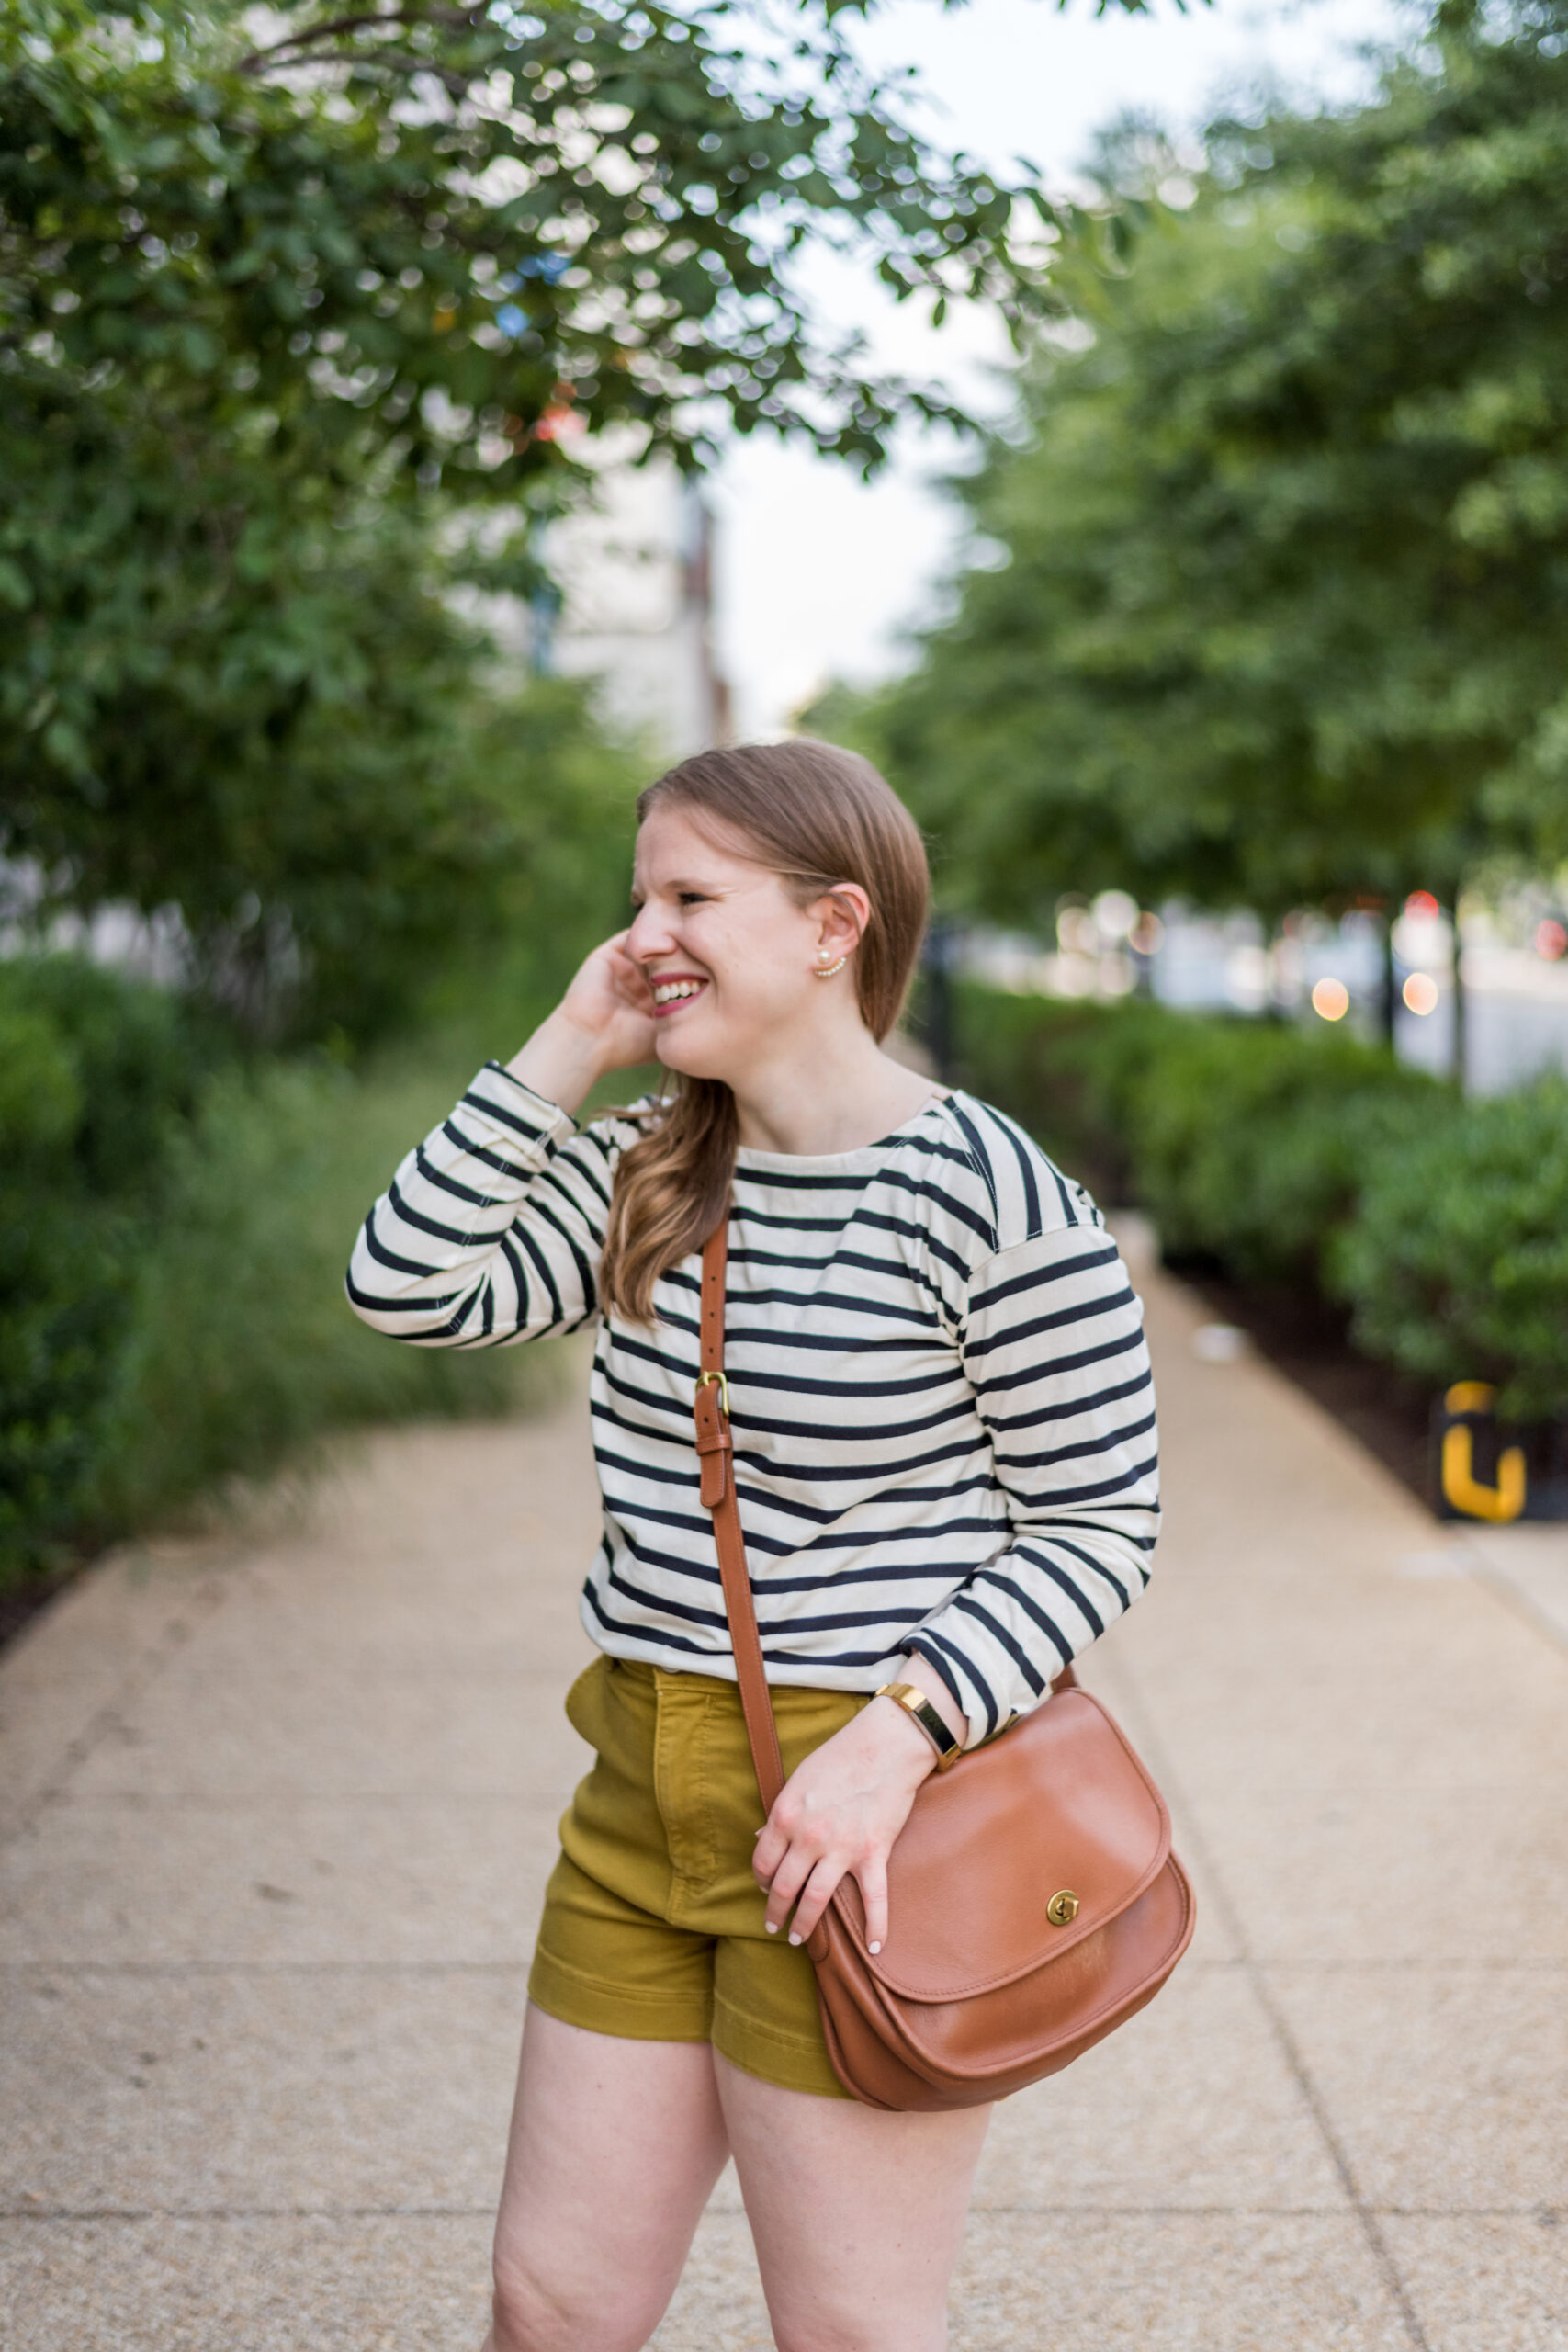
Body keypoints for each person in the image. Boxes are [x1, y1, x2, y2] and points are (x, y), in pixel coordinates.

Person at [346, 741, 1159, 2352]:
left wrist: (897, 1740)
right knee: (552, 2303)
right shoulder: (655, 1167)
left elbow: (1101, 1517)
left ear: (831, 924)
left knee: (850, 2328)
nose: (646, 933)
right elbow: (408, 1287)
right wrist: (576, 1036)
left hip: (853, 1824)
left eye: (691, 897)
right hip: (641, 1790)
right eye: (637, 895)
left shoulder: (986, 1190)